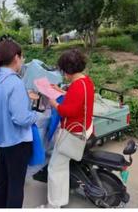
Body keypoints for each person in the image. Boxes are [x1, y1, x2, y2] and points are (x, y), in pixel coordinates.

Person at [0, 40, 37, 208]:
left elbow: (3, 100)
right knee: (15, 184)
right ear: (16, 57)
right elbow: (21, 119)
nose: (22, 61)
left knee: (2, 178)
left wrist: (23, 96)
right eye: (22, 57)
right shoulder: (15, 82)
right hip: (16, 142)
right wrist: (35, 114)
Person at [44, 49, 94, 208]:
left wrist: (54, 103)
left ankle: (54, 205)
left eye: (64, 71)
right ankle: (62, 197)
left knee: (54, 168)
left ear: (69, 71)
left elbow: (68, 111)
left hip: (72, 133)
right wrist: (62, 91)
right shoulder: (85, 81)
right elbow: (78, 100)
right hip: (85, 128)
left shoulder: (76, 86)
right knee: (62, 166)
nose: (63, 74)